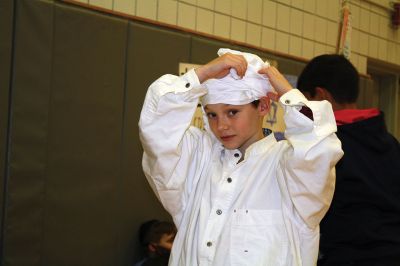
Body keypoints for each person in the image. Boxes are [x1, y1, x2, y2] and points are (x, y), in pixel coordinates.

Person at [139, 48, 343, 265]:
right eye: (212, 114)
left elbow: (319, 150)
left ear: (263, 106)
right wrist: (202, 74)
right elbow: (156, 128)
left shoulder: (287, 167)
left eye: (232, 112)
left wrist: (288, 94)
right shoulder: (198, 160)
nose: (221, 125)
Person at [297, 54, 400, 266]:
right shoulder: (391, 143)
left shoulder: (327, 147)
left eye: (305, 104)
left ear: (320, 96)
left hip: (347, 257)